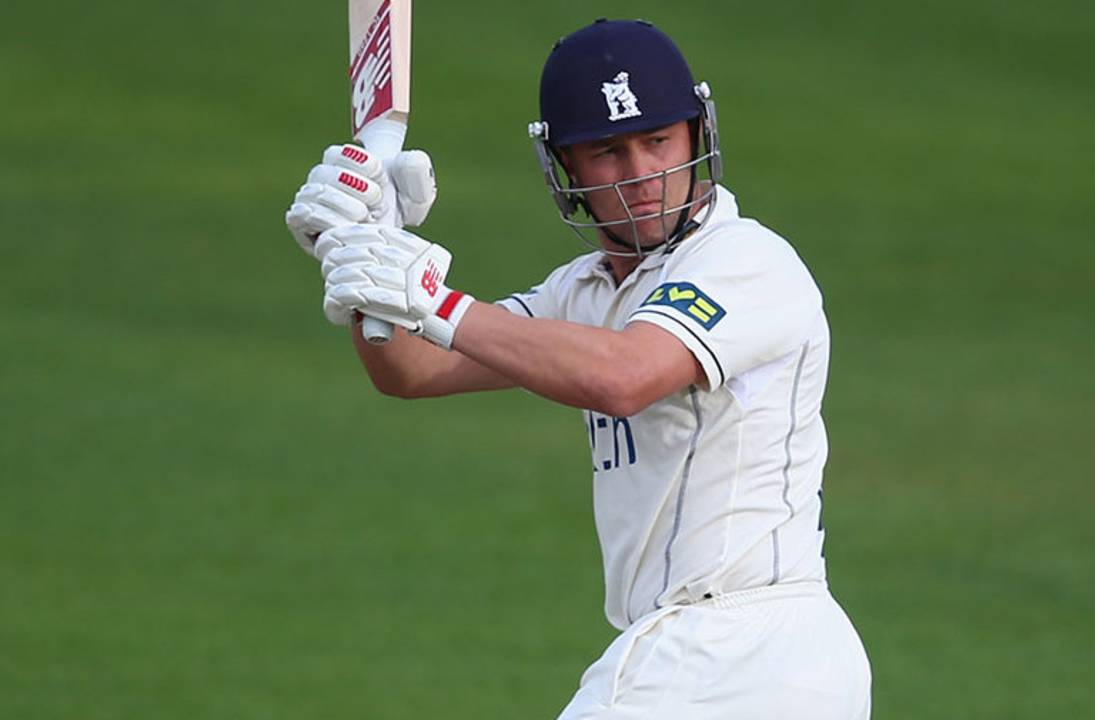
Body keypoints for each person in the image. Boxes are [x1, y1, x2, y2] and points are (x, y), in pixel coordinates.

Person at [285, 18, 871, 720]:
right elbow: (411, 370)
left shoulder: (746, 260)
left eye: (658, 141)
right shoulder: (583, 292)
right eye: (607, 152)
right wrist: (362, 256)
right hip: (723, 660)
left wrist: (431, 297)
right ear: (565, 167)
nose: (641, 175)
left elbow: (623, 377)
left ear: (697, 132)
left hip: (738, 649)